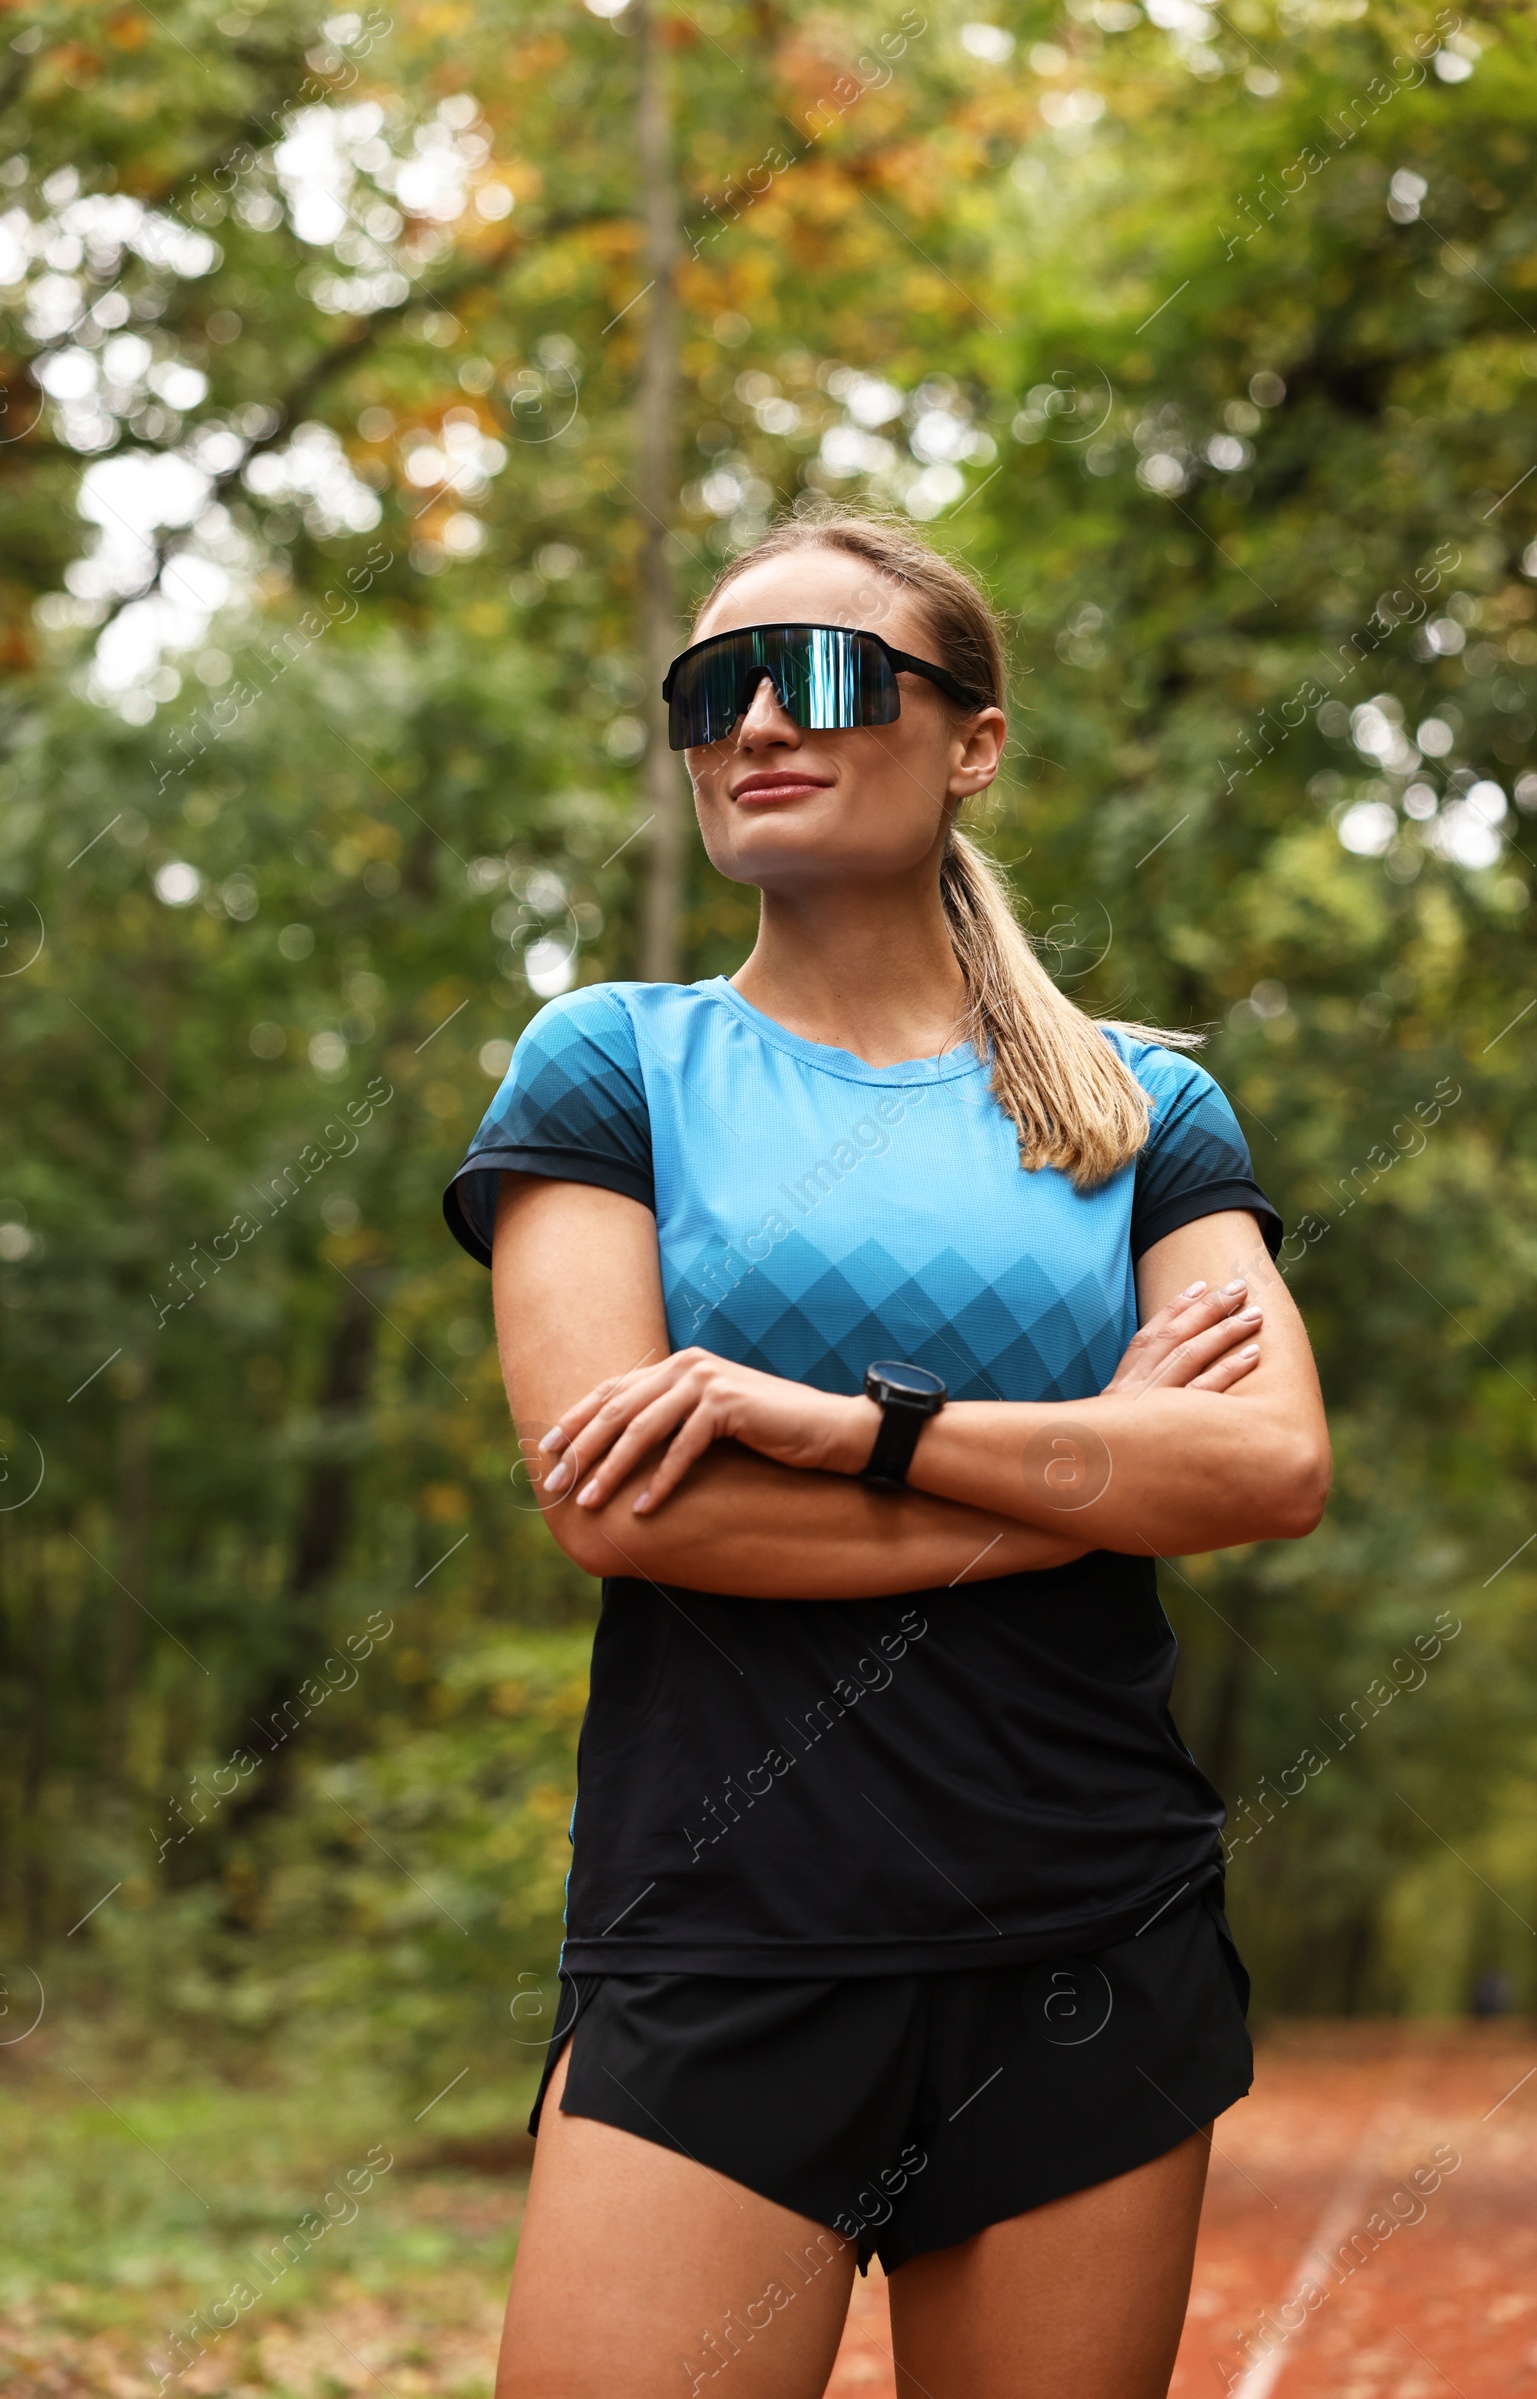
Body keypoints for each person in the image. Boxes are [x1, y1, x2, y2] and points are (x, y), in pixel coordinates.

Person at [444, 510, 1330, 2399]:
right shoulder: (611, 1067)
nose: (756, 719)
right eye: (711, 688)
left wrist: (855, 1429)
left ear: (975, 741)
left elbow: (1262, 1470)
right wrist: (1086, 1468)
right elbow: (620, 1508)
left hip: (1092, 1926)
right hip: (722, 1928)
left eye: (825, 673)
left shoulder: (1138, 1105)